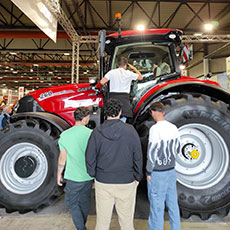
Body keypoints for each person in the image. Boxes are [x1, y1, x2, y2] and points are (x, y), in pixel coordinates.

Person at [86, 98, 143, 230]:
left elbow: (89, 157)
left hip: (103, 181)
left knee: (102, 223)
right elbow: (138, 156)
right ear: (120, 112)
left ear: (105, 113)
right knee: (127, 223)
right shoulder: (130, 131)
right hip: (127, 181)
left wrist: (94, 174)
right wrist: (137, 176)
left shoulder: (97, 132)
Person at [57, 107, 93, 230]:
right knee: (84, 202)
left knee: (71, 202)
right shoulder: (91, 134)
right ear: (85, 118)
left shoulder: (65, 135)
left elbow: (62, 158)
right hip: (88, 176)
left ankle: (81, 227)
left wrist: (59, 175)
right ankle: (82, 225)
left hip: (72, 176)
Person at [146, 102, 181, 230]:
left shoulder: (155, 129)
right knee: (173, 205)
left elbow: (152, 152)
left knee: (157, 207)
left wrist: (149, 172)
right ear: (163, 112)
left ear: (153, 112)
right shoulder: (173, 127)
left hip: (158, 172)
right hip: (171, 171)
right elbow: (178, 148)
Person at [100, 56, 143, 122]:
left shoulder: (112, 72)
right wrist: (134, 68)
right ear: (126, 65)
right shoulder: (129, 73)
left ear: (118, 64)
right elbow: (140, 77)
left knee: (111, 119)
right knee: (122, 121)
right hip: (124, 99)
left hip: (113, 98)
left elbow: (102, 82)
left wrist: (106, 83)